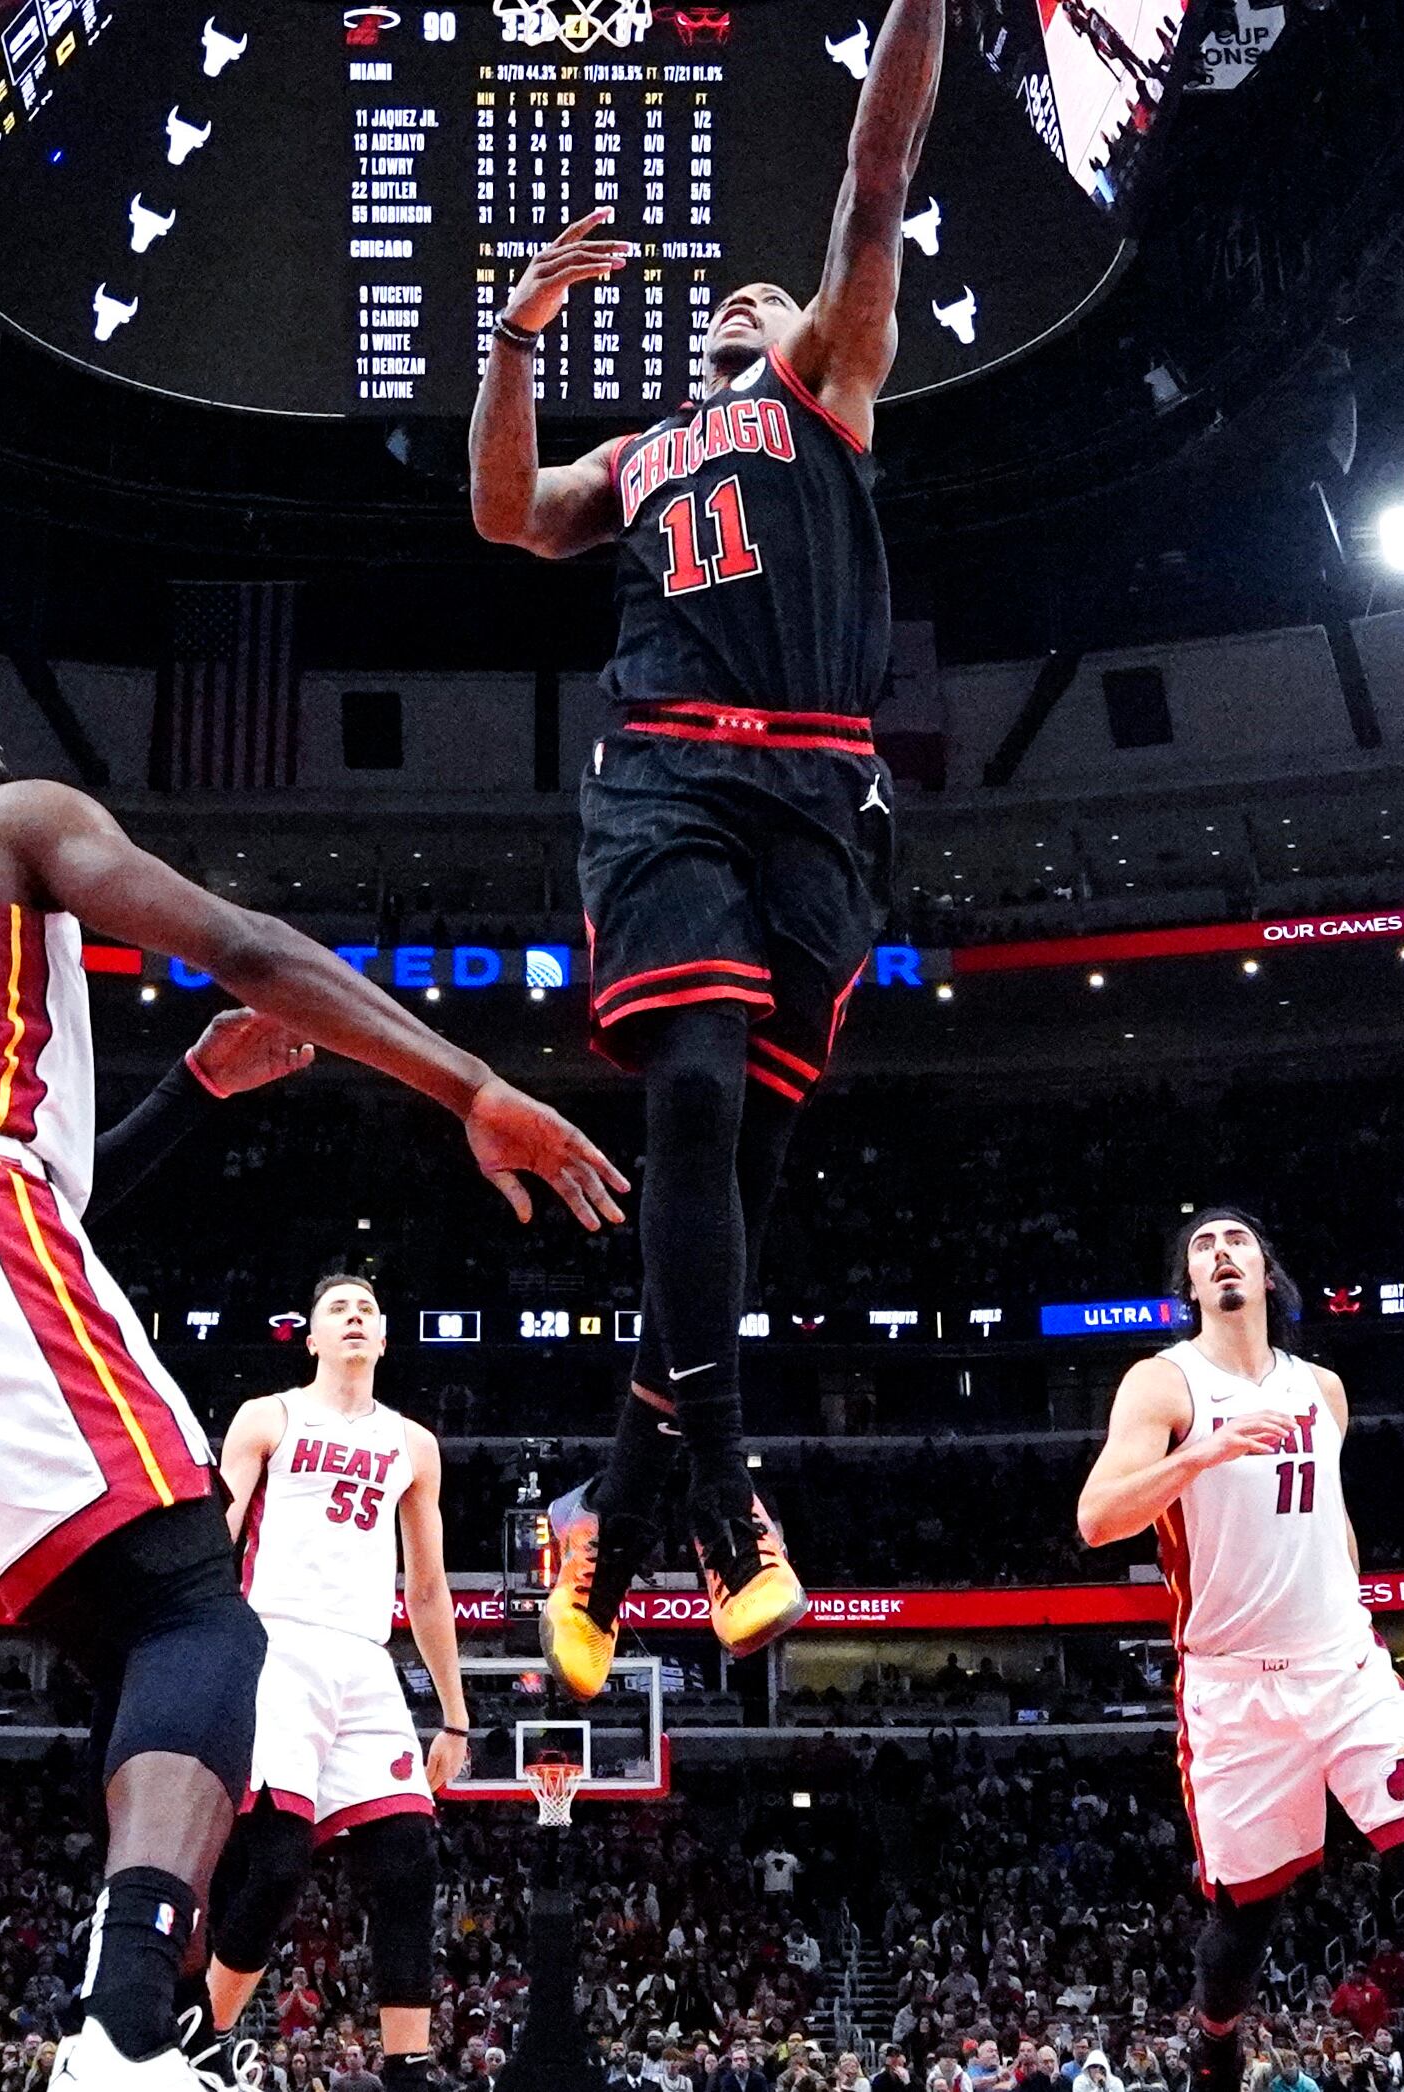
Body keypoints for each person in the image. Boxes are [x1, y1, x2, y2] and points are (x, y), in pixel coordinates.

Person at [0, 690, 624, 2092]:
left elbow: (35, 1176)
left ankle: (147, 2018)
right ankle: (119, 2033)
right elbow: (245, 947)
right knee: (199, 1616)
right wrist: (469, 1083)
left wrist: (188, 1088)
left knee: (135, 1652)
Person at [469, 0, 952, 1696]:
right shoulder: (643, 454)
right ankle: (728, 1497)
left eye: (769, 291)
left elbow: (876, 173)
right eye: (730, 301)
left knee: (746, 1168)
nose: (748, 302)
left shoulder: (826, 385)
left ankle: (613, 1515)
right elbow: (505, 514)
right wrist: (514, 339)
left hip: (819, 791)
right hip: (667, 767)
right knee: (688, 1093)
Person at [1074, 1208, 1404, 2092]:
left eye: (1238, 1243)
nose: (1222, 1254)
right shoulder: (1164, 1383)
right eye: (1203, 1247)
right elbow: (1097, 1518)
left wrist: (1349, 1609)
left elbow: (1333, 1520)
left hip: (1343, 1669)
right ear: (1191, 1286)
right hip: (1234, 1687)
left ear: (1266, 1274)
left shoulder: (1322, 1389)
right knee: (1244, 1924)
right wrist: (1202, 1455)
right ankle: (1215, 2044)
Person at [202, 1275, 472, 2092]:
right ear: (312, 1337)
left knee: (409, 1860)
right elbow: (215, 1544)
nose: (353, 1317)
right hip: (276, 1648)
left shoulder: (413, 1443)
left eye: (366, 1310)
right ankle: (202, 2037)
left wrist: (454, 1717)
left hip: (365, 1659)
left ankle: (408, 2067)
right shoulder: (269, 1416)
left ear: (383, 1339)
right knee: (278, 1867)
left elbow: (428, 1588)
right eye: (337, 1310)